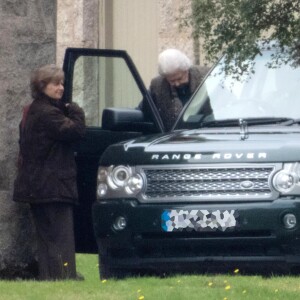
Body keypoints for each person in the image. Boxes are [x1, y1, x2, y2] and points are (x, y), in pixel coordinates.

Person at [13, 64, 85, 280]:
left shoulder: (33, 110)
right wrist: (76, 111)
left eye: (62, 83)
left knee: (47, 239)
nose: (61, 88)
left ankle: (50, 278)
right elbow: (75, 131)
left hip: (38, 185)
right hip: (51, 185)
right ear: (42, 86)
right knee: (60, 236)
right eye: (56, 84)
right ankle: (64, 276)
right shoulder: (47, 113)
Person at [140, 48, 210, 131]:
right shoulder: (157, 86)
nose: (177, 84)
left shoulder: (206, 76)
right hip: (173, 139)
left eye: (180, 79)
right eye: (171, 81)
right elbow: (144, 109)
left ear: (186, 70)